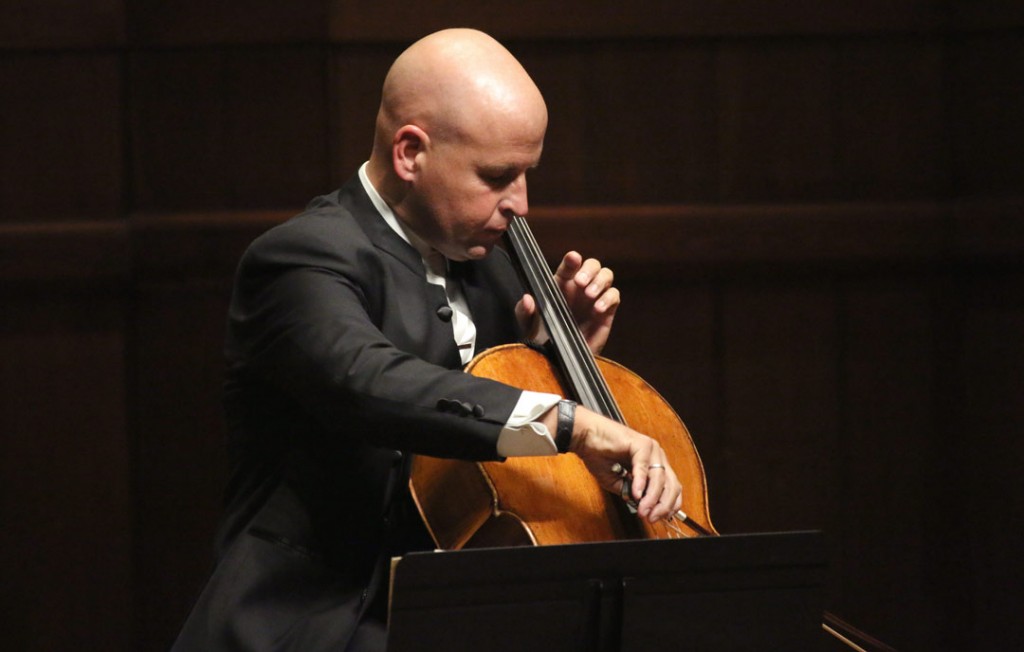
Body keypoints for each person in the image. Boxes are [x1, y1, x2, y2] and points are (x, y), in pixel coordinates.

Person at [171, 28, 682, 652]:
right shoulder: (300, 260)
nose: (520, 205)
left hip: (457, 610)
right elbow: (369, 383)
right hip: (315, 618)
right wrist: (573, 420)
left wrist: (554, 361)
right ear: (410, 152)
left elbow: (486, 472)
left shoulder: (494, 260)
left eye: (527, 174)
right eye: (496, 176)